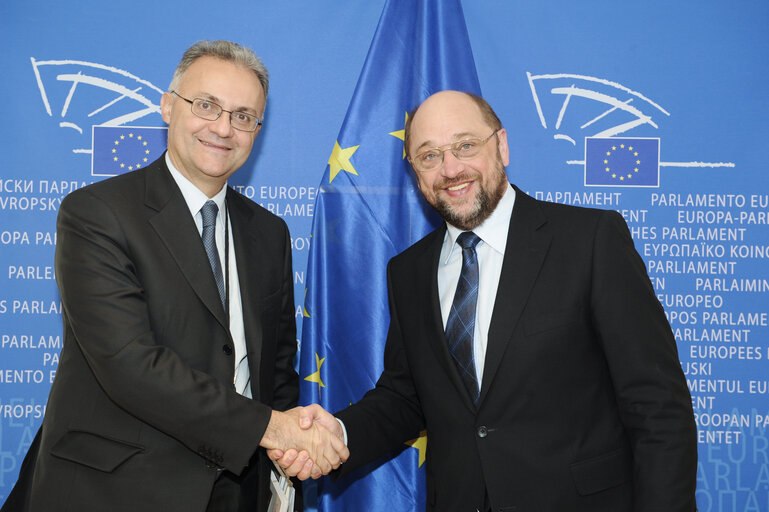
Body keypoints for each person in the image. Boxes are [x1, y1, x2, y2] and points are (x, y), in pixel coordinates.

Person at [275, 90, 698, 511]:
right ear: (415, 172)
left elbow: (658, 406)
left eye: (465, 146)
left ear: (501, 145)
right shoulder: (408, 272)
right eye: (429, 156)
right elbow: (407, 397)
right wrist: (339, 434)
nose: (451, 168)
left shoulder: (589, 241)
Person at [2, 40, 346, 512]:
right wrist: (271, 428)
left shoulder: (269, 233)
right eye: (207, 105)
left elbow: (276, 369)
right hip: (117, 491)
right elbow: (130, 364)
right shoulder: (96, 214)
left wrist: (288, 450)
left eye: (244, 116)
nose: (224, 128)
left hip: (237, 486)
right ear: (168, 106)